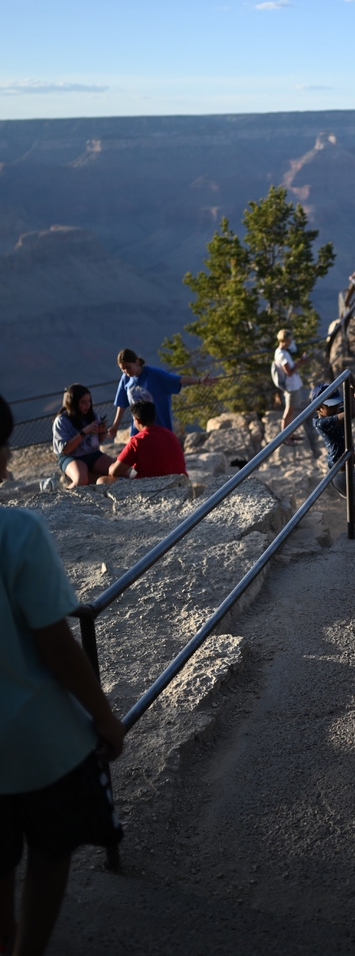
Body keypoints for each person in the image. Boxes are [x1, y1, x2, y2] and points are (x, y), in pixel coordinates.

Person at [0, 394, 125, 956]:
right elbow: (57, 643)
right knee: (50, 854)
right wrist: (104, 717)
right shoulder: (18, 533)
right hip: (36, 745)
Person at [311, 385, 355, 534]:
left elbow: (349, 412)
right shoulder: (322, 423)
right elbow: (350, 414)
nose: (336, 408)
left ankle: (351, 534)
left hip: (342, 471)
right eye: (331, 406)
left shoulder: (329, 416)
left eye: (338, 404)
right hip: (342, 474)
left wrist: (354, 398)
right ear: (318, 407)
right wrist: (350, 393)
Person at [108, 349, 216, 440]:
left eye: (128, 367)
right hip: (139, 430)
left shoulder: (155, 375)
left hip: (160, 428)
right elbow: (121, 404)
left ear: (136, 362)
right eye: (123, 369)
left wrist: (199, 381)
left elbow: (179, 379)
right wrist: (115, 426)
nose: (126, 371)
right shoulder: (126, 379)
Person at [97, 402, 187, 482]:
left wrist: (111, 466)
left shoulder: (138, 440)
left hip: (151, 486)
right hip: (179, 482)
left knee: (102, 480)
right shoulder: (170, 434)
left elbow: (114, 472)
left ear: (137, 420)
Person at [52, 384, 113, 487]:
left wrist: (102, 431)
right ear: (74, 403)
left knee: (118, 470)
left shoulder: (91, 415)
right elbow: (65, 449)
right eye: (83, 402)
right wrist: (84, 432)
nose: (87, 405)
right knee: (81, 481)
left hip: (92, 454)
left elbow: (99, 440)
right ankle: (64, 495)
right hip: (71, 457)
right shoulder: (62, 421)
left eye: (89, 401)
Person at [273, 330, 319, 454]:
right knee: (289, 411)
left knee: (291, 411)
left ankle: (289, 434)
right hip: (291, 387)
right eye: (290, 339)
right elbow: (289, 372)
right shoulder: (282, 355)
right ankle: (285, 436)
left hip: (292, 386)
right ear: (286, 340)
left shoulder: (281, 352)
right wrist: (300, 362)